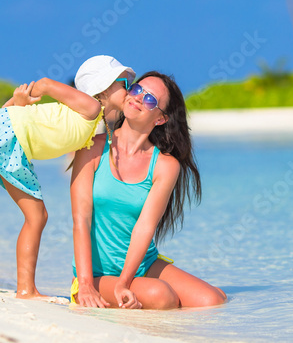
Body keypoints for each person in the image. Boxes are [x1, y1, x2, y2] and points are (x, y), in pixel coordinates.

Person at [0, 55, 134, 299]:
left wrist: (13, 106)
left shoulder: (93, 120)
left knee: (37, 216)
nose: (130, 90)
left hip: (14, 142)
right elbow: (47, 84)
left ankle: (26, 289)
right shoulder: (90, 107)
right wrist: (22, 99)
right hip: (4, 130)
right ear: (105, 86)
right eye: (125, 84)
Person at [70, 71, 226, 309]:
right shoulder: (91, 147)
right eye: (136, 90)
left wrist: (124, 282)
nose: (138, 98)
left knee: (213, 300)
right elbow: (81, 219)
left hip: (142, 263)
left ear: (161, 119)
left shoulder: (165, 164)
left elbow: (145, 228)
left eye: (150, 99)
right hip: (95, 274)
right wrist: (85, 285)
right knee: (162, 296)